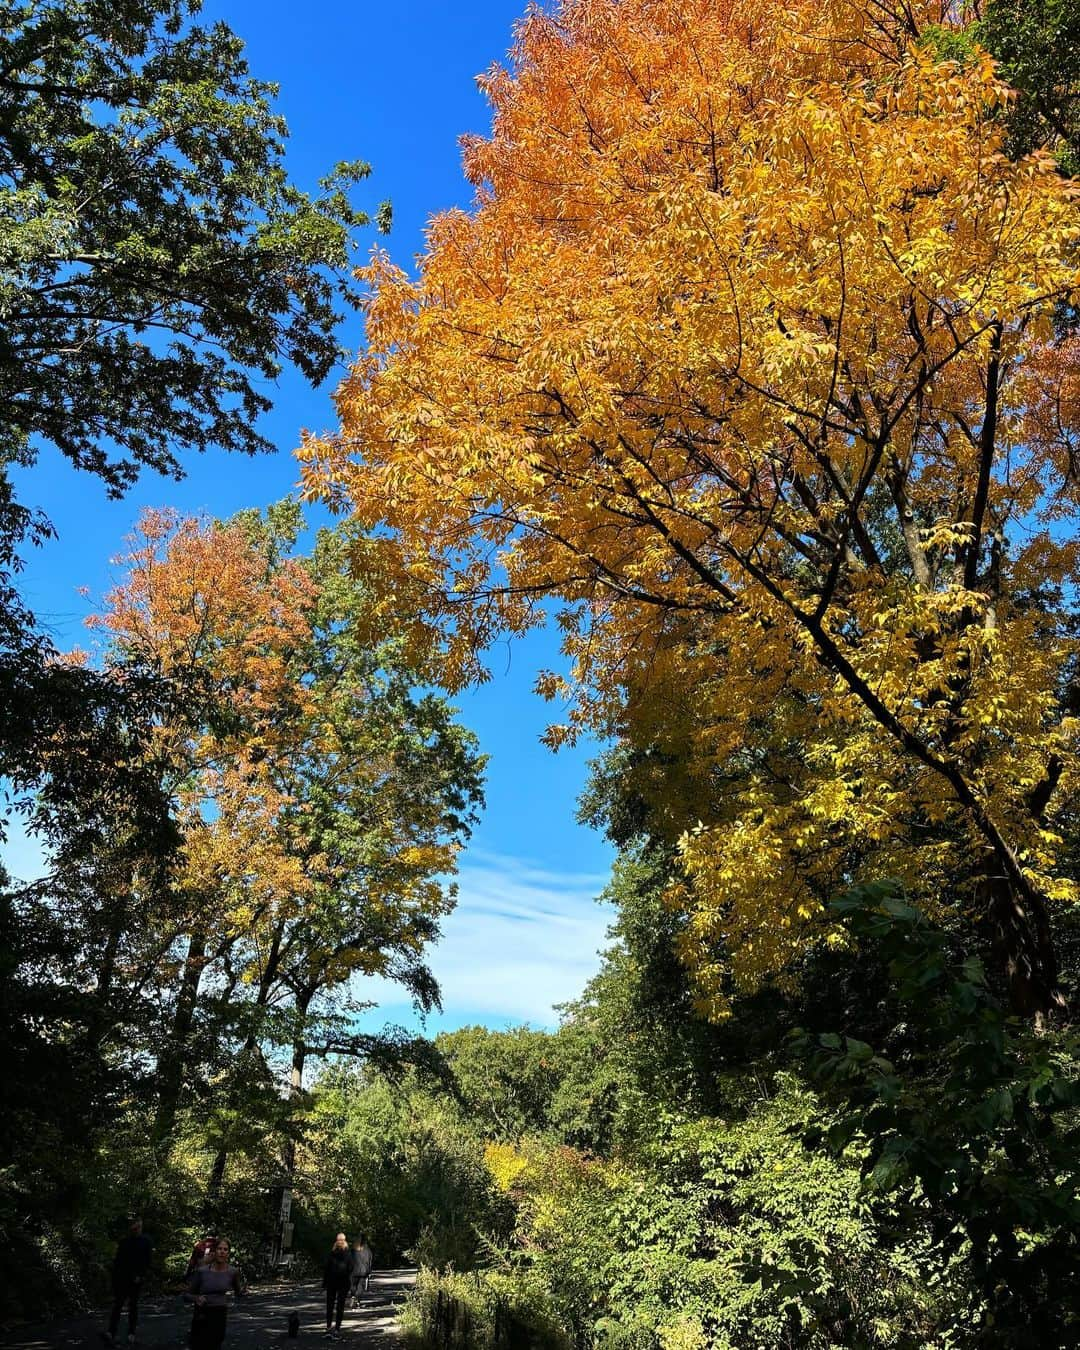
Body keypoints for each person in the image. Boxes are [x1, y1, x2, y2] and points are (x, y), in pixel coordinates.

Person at [186, 1237, 244, 1350]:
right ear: (214, 1252)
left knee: (215, 1345)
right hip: (202, 1314)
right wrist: (196, 1298)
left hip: (219, 1314)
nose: (222, 1252)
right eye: (219, 1249)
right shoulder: (202, 1271)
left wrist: (243, 1292)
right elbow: (186, 1295)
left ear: (228, 1253)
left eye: (225, 1249)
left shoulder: (233, 1272)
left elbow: (238, 1293)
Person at [102, 1216, 152, 1347]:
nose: (136, 1229)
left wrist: (141, 1275)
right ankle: (111, 1331)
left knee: (133, 1306)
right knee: (118, 1305)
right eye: (134, 1226)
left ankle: (131, 1333)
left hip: (136, 1279)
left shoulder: (145, 1242)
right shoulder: (125, 1241)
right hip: (122, 1278)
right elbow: (118, 1261)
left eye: (138, 1226)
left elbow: (147, 1261)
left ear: (141, 1227)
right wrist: (114, 1279)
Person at [322, 1232, 353, 1340]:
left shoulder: (332, 1253)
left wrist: (324, 1284)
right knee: (340, 1306)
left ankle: (328, 1328)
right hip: (343, 1283)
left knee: (330, 1305)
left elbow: (326, 1269)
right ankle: (337, 1329)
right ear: (345, 1241)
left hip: (331, 1282)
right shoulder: (348, 1253)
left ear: (336, 1241)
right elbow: (351, 1269)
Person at [349, 1236, 373, 1305]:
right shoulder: (368, 1250)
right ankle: (358, 1301)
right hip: (364, 1271)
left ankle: (353, 1296)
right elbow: (370, 1261)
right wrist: (369, 1271)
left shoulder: (353, 1250)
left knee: (353, 1285)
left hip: (354, 1271)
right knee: (360, 1286)